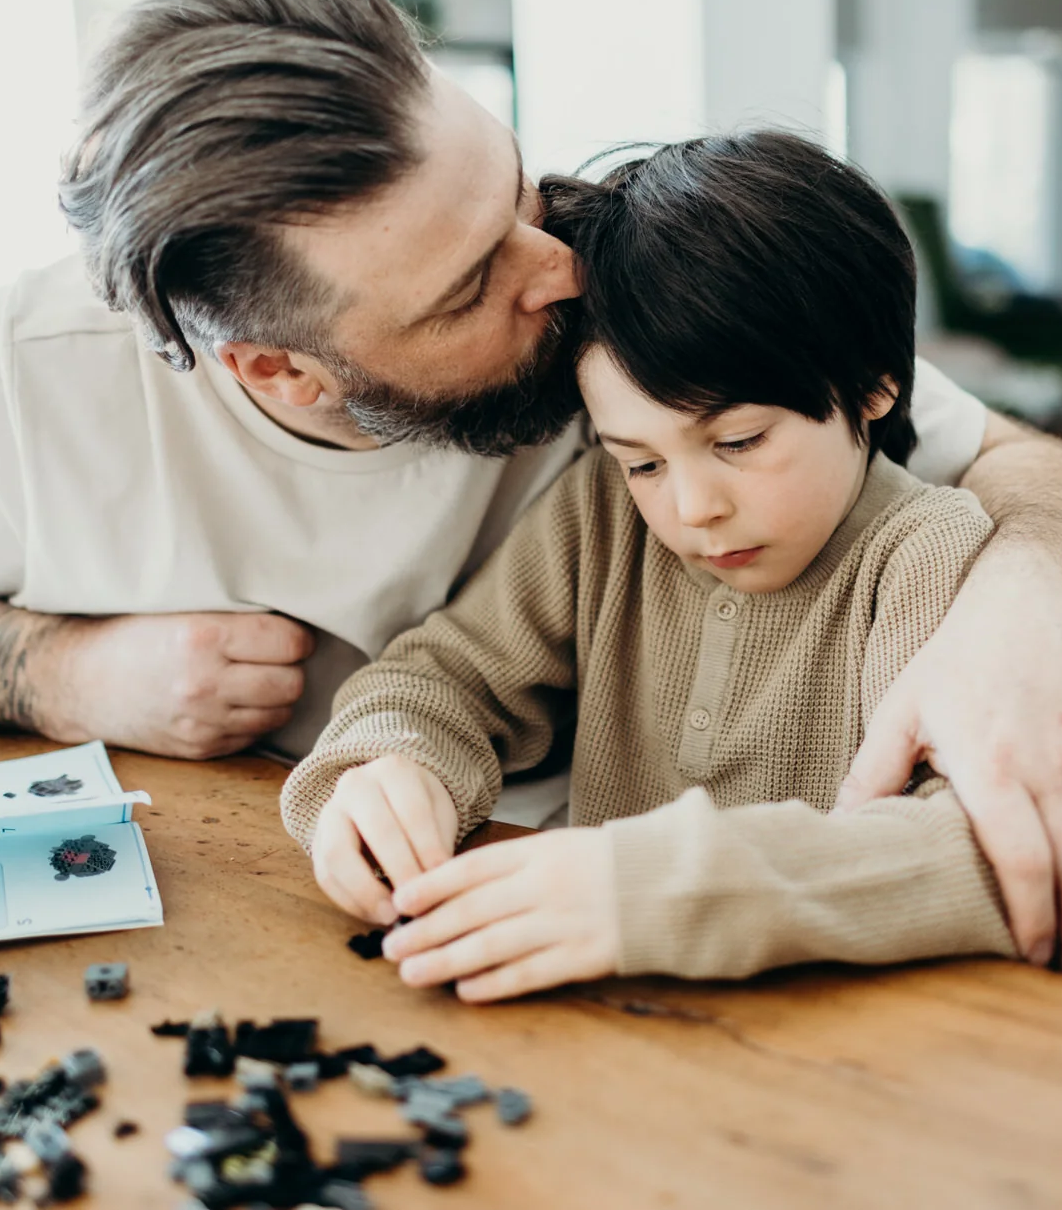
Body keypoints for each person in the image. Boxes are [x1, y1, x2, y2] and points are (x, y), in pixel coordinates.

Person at [0, 0, 1062, 978]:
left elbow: (1001, 466)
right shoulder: (23, 380)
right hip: (412, 938)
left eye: (515, 187)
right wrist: (63, 674)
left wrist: (1044, 596)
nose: (554, 268)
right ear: (276, 368)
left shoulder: (643, 289)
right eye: (467, 287)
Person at [283, 132, 1020, 999]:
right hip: (605, 1020)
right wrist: (389, 764)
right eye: (643, 460)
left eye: (738, 441)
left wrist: (650, 890)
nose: (690, 507)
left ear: (874, 385)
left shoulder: (924, 552)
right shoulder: (600, 516)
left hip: (834, 1037)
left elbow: (976, 847)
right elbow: (447, 673)